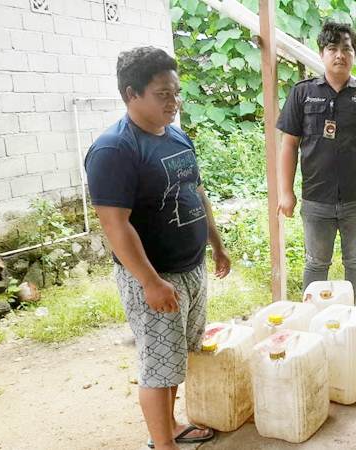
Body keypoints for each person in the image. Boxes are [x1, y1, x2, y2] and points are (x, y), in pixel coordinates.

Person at [85, 46, 230, 449]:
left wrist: (215, 244)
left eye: (176, 92)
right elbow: (115, 224)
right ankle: (162, 445)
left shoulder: (177, 135)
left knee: (177, 360)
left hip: (191, 266)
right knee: (157, 367)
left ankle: (170, 426)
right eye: (163, 94)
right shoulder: (114, 150)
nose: (174, 101)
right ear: (132, 94)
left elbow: (196, 193)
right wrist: (150, 281)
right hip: (155, 275)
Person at [276, 21, 356, 294]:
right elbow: (289, 145)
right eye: (332, 48)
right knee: (316, 264)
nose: (340, 55)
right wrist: (286, 192)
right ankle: (315, 321)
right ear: (322, 53)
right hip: (317, 198)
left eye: (347, 49)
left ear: (354, 54)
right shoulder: (303, 93)